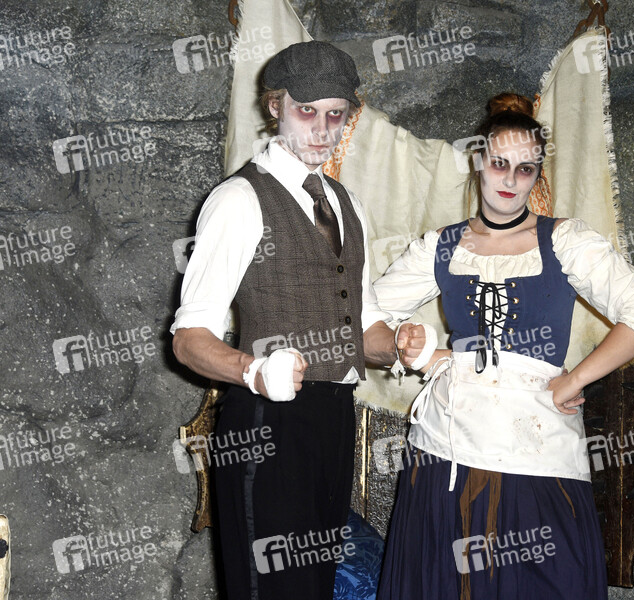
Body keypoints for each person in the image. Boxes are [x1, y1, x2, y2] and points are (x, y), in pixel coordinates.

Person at [372, 93, 634, 599]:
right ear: (478, 161)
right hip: (447, 447)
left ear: (537, 175)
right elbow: (368, 318)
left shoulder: (565, 240)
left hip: (537, 447)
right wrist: (418, 352)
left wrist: (576, 379)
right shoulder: (440, 245)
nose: (510, 180)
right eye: (499, 164)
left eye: (525, 168)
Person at [170, 41, 408, 600]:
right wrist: (253, 371)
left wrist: (401, 344)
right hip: (264, 425)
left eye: (336, 114)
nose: (322, 130)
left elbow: (363, 326)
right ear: (276, 106)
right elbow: (188, 339)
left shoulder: (346, 203)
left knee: (313, 589)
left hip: (335, 417)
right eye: (307, 111)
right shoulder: (238, 199)